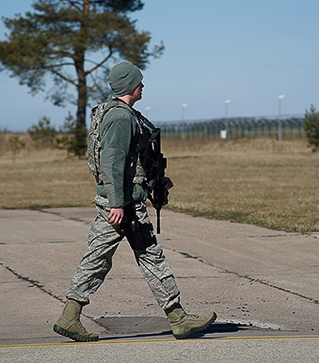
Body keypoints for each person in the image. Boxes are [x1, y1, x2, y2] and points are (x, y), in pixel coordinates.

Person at [53, 62, 216, 341]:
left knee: (148, 256)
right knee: (100, 258)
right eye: (140, 82)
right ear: (130, 85)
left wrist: (156, 181)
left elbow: (133, 162)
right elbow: (113, 163)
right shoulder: (119, 118)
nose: (143, 87)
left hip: (128, 201)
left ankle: (177, 317)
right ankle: (70, 317)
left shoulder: (125, 115)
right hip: (122, 205)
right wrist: (117, 204)